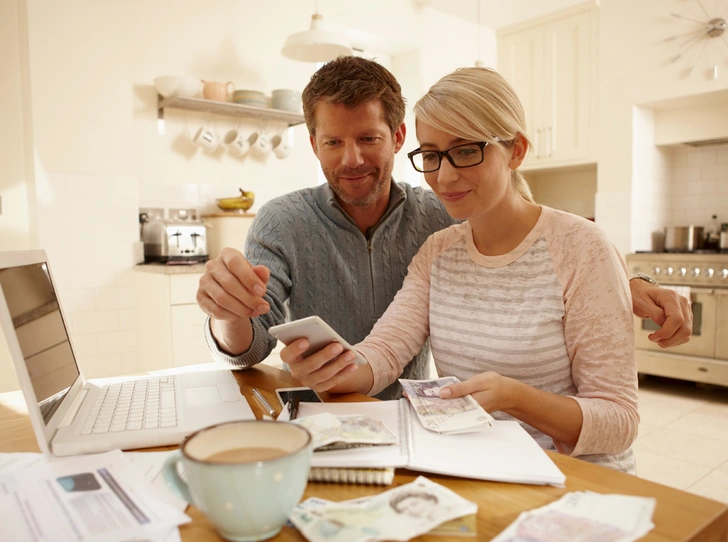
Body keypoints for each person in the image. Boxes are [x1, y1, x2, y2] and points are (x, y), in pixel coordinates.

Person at [196, 56, 691, 401]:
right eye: (333, 143)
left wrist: (621, 286)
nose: (352, 159)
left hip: (428, 418)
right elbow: (251, 349)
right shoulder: (287, 222)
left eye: (368, 138)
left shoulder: (442, 212)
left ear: (396, 138)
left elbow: (535, 236)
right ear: (313, 144)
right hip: (340, 405)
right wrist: (226, 312)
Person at [285, 67, 640, 473]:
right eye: (432, 155)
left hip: (575, 480)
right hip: (478, 467)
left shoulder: (581, 247)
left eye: (467, 150)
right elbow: (384, 352)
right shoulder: (439, 251)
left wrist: (513, 397)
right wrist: (330, 367)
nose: (444, 175)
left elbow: (620, 422)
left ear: (516, 151)